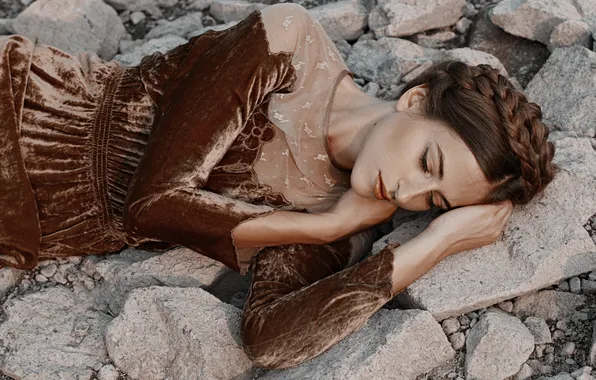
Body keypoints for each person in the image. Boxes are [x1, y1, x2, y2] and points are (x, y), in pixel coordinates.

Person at [0, 2, 554, 369]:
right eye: (426, 160)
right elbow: (151, 205)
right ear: (414, 101)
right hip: (23, 105)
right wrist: (326, 226)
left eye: (434, 202)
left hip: (26, 227)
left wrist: (430, 246)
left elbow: (269, 339)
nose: (406, 194)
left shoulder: (349, 222)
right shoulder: (290, 46)